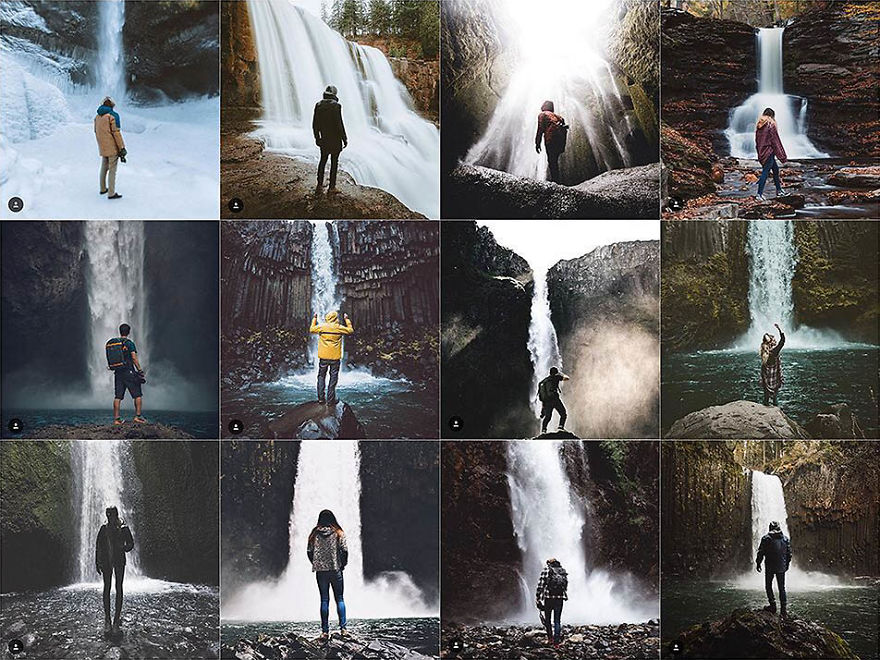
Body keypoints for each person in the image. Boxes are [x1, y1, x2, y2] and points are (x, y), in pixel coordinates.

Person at [307, 509, 349, 640]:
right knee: (340, 598)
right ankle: (343, 629)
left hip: (321, 572)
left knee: (324, 600)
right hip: (335, 569)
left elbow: (309, 551)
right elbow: (345, 550)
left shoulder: (314, 534)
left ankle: (325, 632)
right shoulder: (338, 533)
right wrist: (343, 564)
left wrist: (315, 563)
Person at [95, 506, 135, 635]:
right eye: (107, 515)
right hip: (107, 561)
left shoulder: (123, 528)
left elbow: (131, 544)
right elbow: (98, 546)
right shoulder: (103, 528)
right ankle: (107, 618)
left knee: (119, 587)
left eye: (111, 514)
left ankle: (116, 620)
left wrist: (123, 548)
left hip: (119, 561)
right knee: (107, 588)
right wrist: (97, 562)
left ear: (116, 514)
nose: (109, 517)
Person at [309, 311, 354, 405]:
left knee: (321, 376)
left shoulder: (322, 326)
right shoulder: (339, 328)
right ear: (335, 318)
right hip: (335, 358)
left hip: (323, 357)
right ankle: (330, 400)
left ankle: (321, 398)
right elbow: (350, 330)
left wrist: (314, 318)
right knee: (333, 378)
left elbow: (312, 329)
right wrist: (346, 319)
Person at [108, 323, 146, 425]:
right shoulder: (129, 343)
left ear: (120, 331)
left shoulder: (115, 343)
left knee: (118, 396)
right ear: (129, 332)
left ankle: (116, 419)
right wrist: (140, 370)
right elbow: (134, 358)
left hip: (118, 373)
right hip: (129, 372)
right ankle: (137, 417)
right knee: (137, 394)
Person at [312, 85, 348, 194]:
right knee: (334, 162)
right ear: (334, 95)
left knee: (322, 161)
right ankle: (332, 187)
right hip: (335, 139)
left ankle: (319, 185)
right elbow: (339, 124)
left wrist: (317, 138)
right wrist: (344, 138)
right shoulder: (336, 106)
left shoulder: (318, 105)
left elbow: (315, 124)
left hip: (324, 139)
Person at [756, 520, 792, 618]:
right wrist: (787, 565)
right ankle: (783, 611)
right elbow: (789, 554)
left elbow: (761, 552)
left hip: (770, 566)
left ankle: (773, 605)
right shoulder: (785, 539)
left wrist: (758, 563)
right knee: (782, 588)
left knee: (768, 586)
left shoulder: (766, 538)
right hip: (781, 566)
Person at [94, 96, 127, 200]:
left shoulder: (97, 117)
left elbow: (96, 131)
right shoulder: (112, 116)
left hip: (102, 146)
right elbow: (116, 133)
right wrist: (121, 148)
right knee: (112, 170)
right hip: (112, 147)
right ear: (112, 105)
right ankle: (111, 193)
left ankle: (103, 188)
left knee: (104, 167)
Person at [754, 108, 788, 201]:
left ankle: (779, 190)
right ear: (772, 116)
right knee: (765, 172)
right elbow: (775, 141)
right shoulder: (770, 125)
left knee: (776, 170)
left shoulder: (759, 126)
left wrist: (759, 152)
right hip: (769, 152)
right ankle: (759, 194)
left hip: (762, 151)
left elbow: (757, 141)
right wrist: (782, 156)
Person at [535, 558, 568, 646]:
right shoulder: (562, 571)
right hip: (560, 599)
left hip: (548, 598)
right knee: (557, 621)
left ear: (550, 563)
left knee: (548, 620)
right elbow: (565, 586)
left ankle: (550, 639)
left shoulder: (546, 570)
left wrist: (538, 597)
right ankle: (556, 643)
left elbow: (540, 585)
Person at [535, 100, 569, 184]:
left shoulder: (542, 115)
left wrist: (537, 143)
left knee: (552, 161)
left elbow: (540, 129)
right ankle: (556, 180)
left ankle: (555, 182)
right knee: (554, 160)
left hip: (550, 139)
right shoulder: (559, 117)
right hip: (560, 141)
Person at [537, 366, 570, 433]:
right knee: (563, 413)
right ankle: (560, 427)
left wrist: (543, 409)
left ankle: (543, 430)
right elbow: (567, 378)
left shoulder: (544, 381)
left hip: (546, 402)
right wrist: (561, 374)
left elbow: (542, 395)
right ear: (556, 372)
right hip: (555, 399)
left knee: (548, 417)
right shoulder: (556, 377)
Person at [760, 323, 785, 407]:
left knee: (766, 398)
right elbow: (782, 341)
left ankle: (765, 411)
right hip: (774, 378)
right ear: (771, 342)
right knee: (775, 398)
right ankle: (776, 413)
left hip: (766, 380)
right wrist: (780, 330)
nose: (775, 340)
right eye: (774, 339)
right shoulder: (774, 352)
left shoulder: (764, 351)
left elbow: (763, 370)